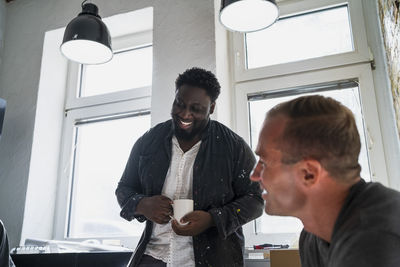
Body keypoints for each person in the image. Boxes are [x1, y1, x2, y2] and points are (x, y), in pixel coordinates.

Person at [116, 67, 263, 267]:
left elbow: (255, 200)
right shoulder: (148, 142)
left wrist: (212, 219)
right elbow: (124, 188)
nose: (185, 114)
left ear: (211, 108)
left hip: (213, 260)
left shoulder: (233, 147)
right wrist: (142, 205)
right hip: (153, 258)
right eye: (180, 104)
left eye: (196, 108)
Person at [250, 95, 400, 267]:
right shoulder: (313, 236)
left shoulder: (375, 242)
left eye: (263, 162)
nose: (254, 175)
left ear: (309, 174)